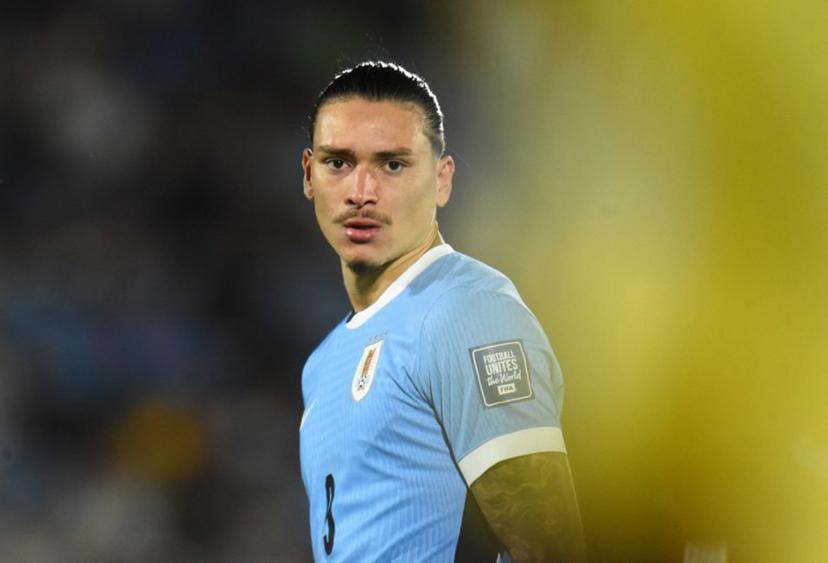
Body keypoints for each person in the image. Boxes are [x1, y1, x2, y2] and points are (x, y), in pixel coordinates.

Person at [298, 61, 586, 562]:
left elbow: (549, 545)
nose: (361, 192)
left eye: (393, 164)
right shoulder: (322, 364)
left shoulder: (467, 313)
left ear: (443, 180)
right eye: (338, 162)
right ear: (308, 174)